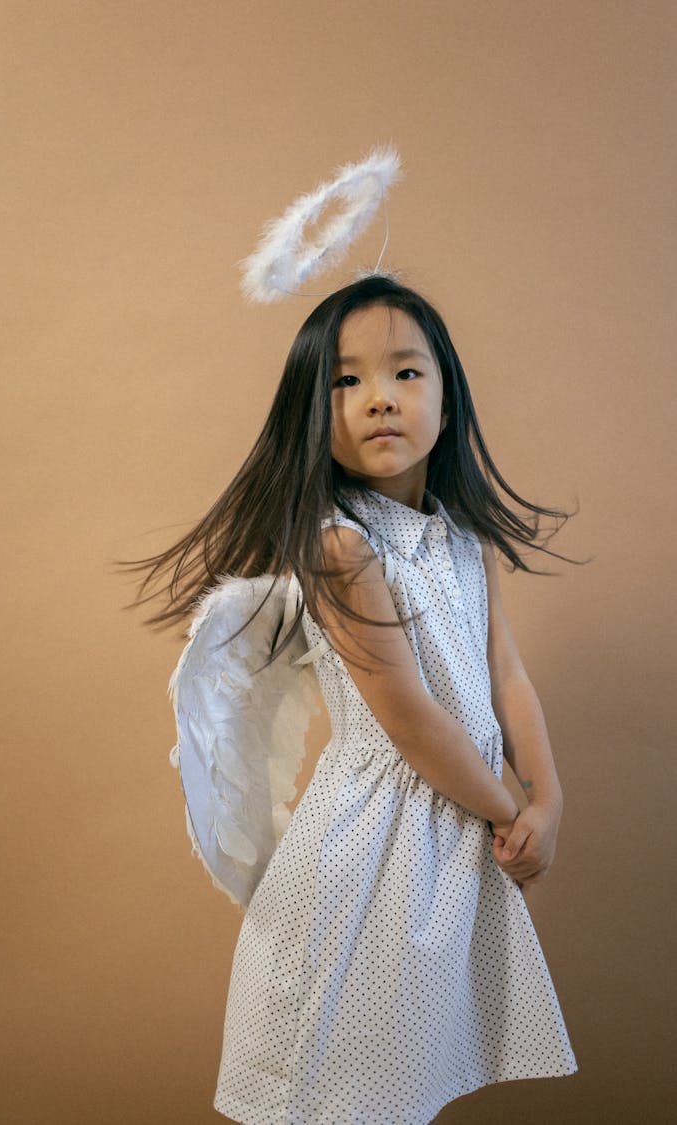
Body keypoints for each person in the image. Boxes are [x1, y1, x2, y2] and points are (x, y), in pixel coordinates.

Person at [124, 274, 578, 1122]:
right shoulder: (340, 545)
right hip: (374, 847)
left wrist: (547, 798)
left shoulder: (465, 542)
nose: (379, 399)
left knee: (411, 1067)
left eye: (406, 373)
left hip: (452, 828)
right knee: (344, 1075)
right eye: (346, 380)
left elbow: (506, 673)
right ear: (311, 409)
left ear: (448, 397)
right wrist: (505, 806)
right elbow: (403, 714)